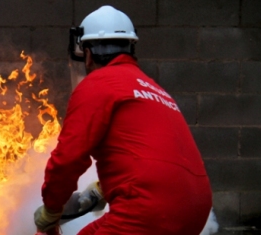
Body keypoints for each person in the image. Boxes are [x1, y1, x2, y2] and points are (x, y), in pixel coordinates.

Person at [33, 5, 212, 235]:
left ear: (87, 54)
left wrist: (51, 210)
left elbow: (68, 158)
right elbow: (156, 158)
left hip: (147, 209)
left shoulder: (98, 83)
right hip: (195, 211)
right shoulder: (154, 89)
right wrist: (101, 191)